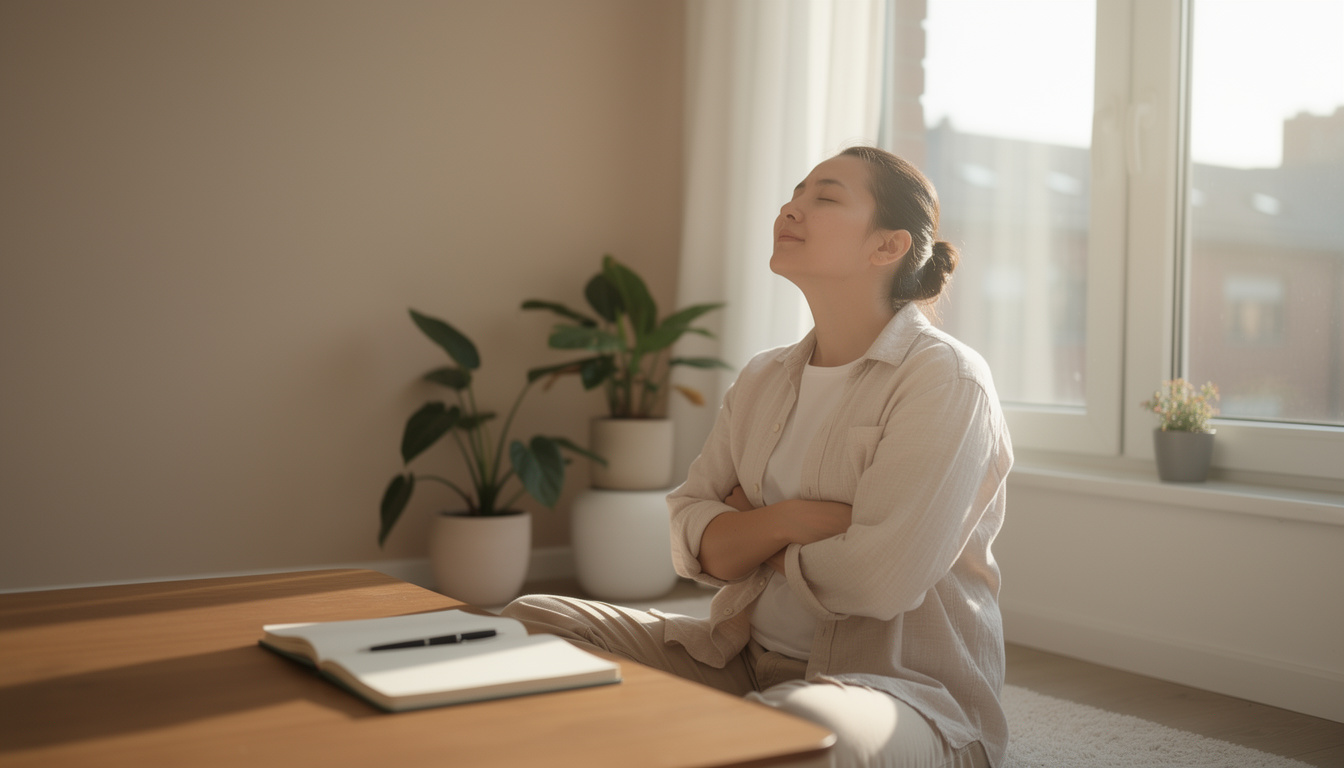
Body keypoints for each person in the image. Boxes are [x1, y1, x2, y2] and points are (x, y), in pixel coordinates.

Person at [503, 146, 1012, 768]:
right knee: (527, 621)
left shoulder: (946, 379)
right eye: (795, 193)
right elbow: (690, 533)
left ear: (887, 247)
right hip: (739, 660)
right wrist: (791, 519)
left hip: (896, 691)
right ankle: (709, 740)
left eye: (824, 197)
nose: (790, 208)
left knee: (799, 730)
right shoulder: (764, 377)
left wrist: (744, 530)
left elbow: (877, 582)